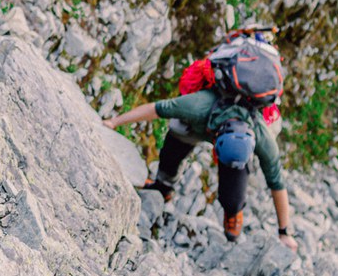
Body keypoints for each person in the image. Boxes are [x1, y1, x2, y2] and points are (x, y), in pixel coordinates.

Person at [106, 28, 296, 250]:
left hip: (230, 142)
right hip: (200, 125)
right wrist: (114, 122)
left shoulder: (261, 135)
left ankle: (233, 213)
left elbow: (277, 183)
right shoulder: (200, 105)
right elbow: (158, 109)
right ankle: (164, 186)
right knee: (177, 130)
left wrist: (285, 233)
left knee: (234, 182)